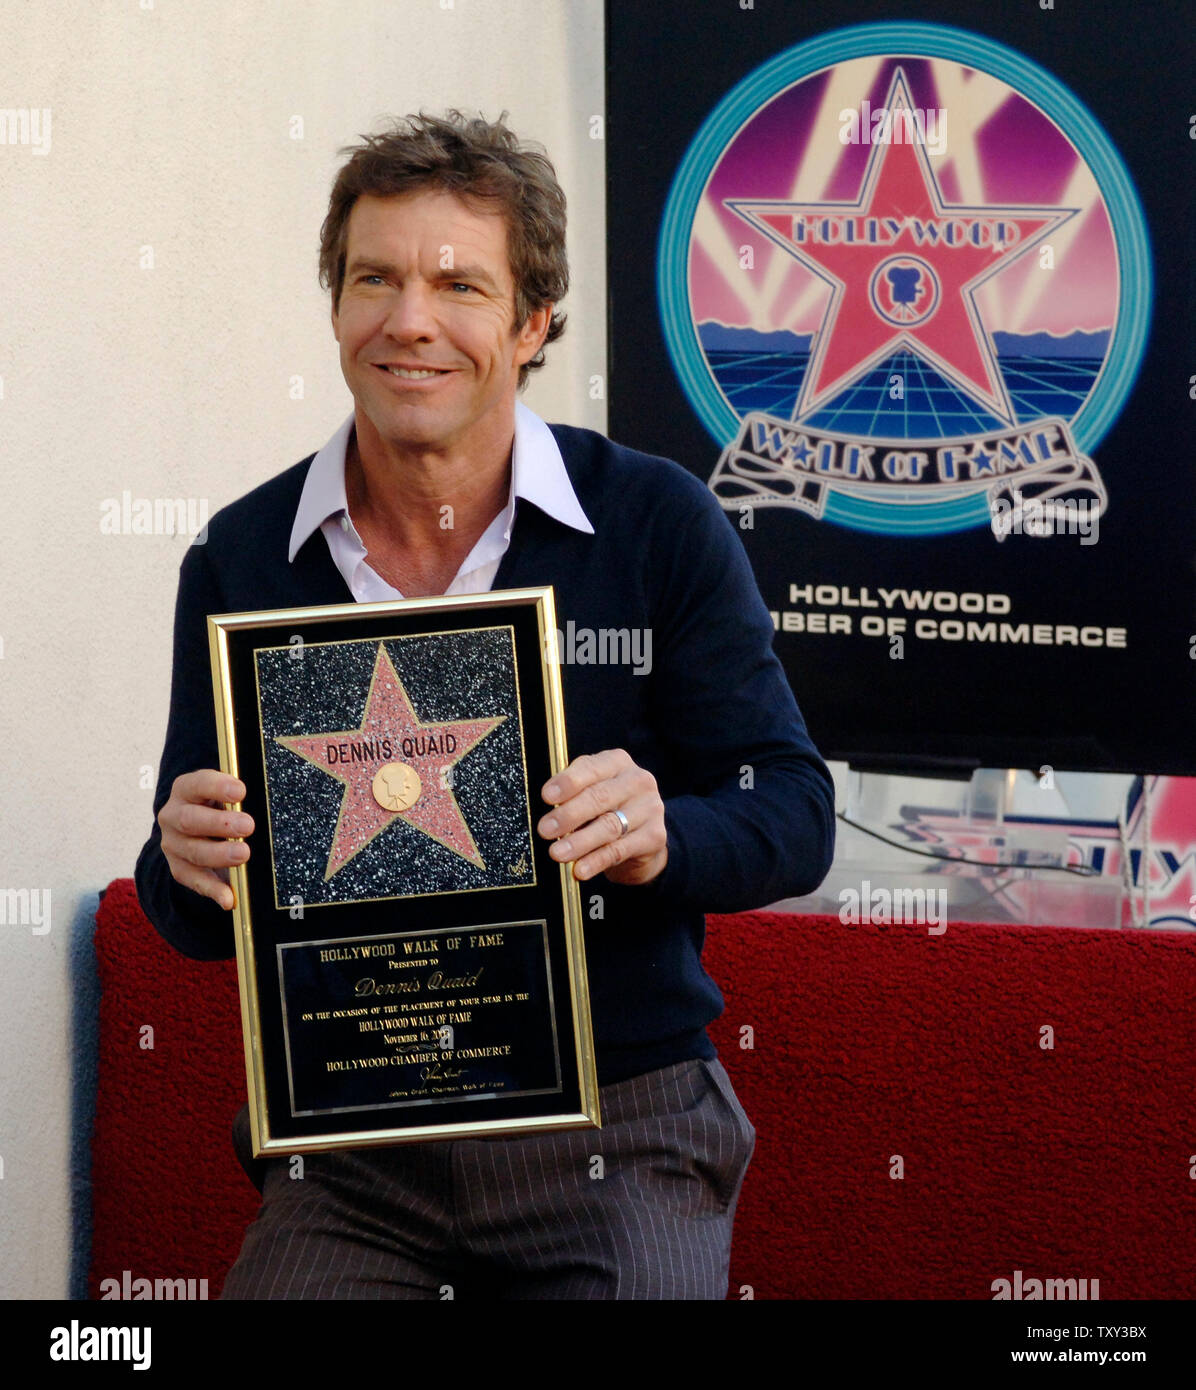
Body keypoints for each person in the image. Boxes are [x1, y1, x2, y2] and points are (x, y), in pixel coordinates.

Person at [135, 110, 836, 1300]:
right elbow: (197, 908)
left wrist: (662, 830)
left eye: (459, 284)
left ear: (531, 324)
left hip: (622, 1127)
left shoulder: (655, 522)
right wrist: (183, 860)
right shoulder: (241, 555)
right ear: (337, 307)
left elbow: (796, 812)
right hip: (352, 1156)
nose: (409, 319)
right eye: (374, 279)